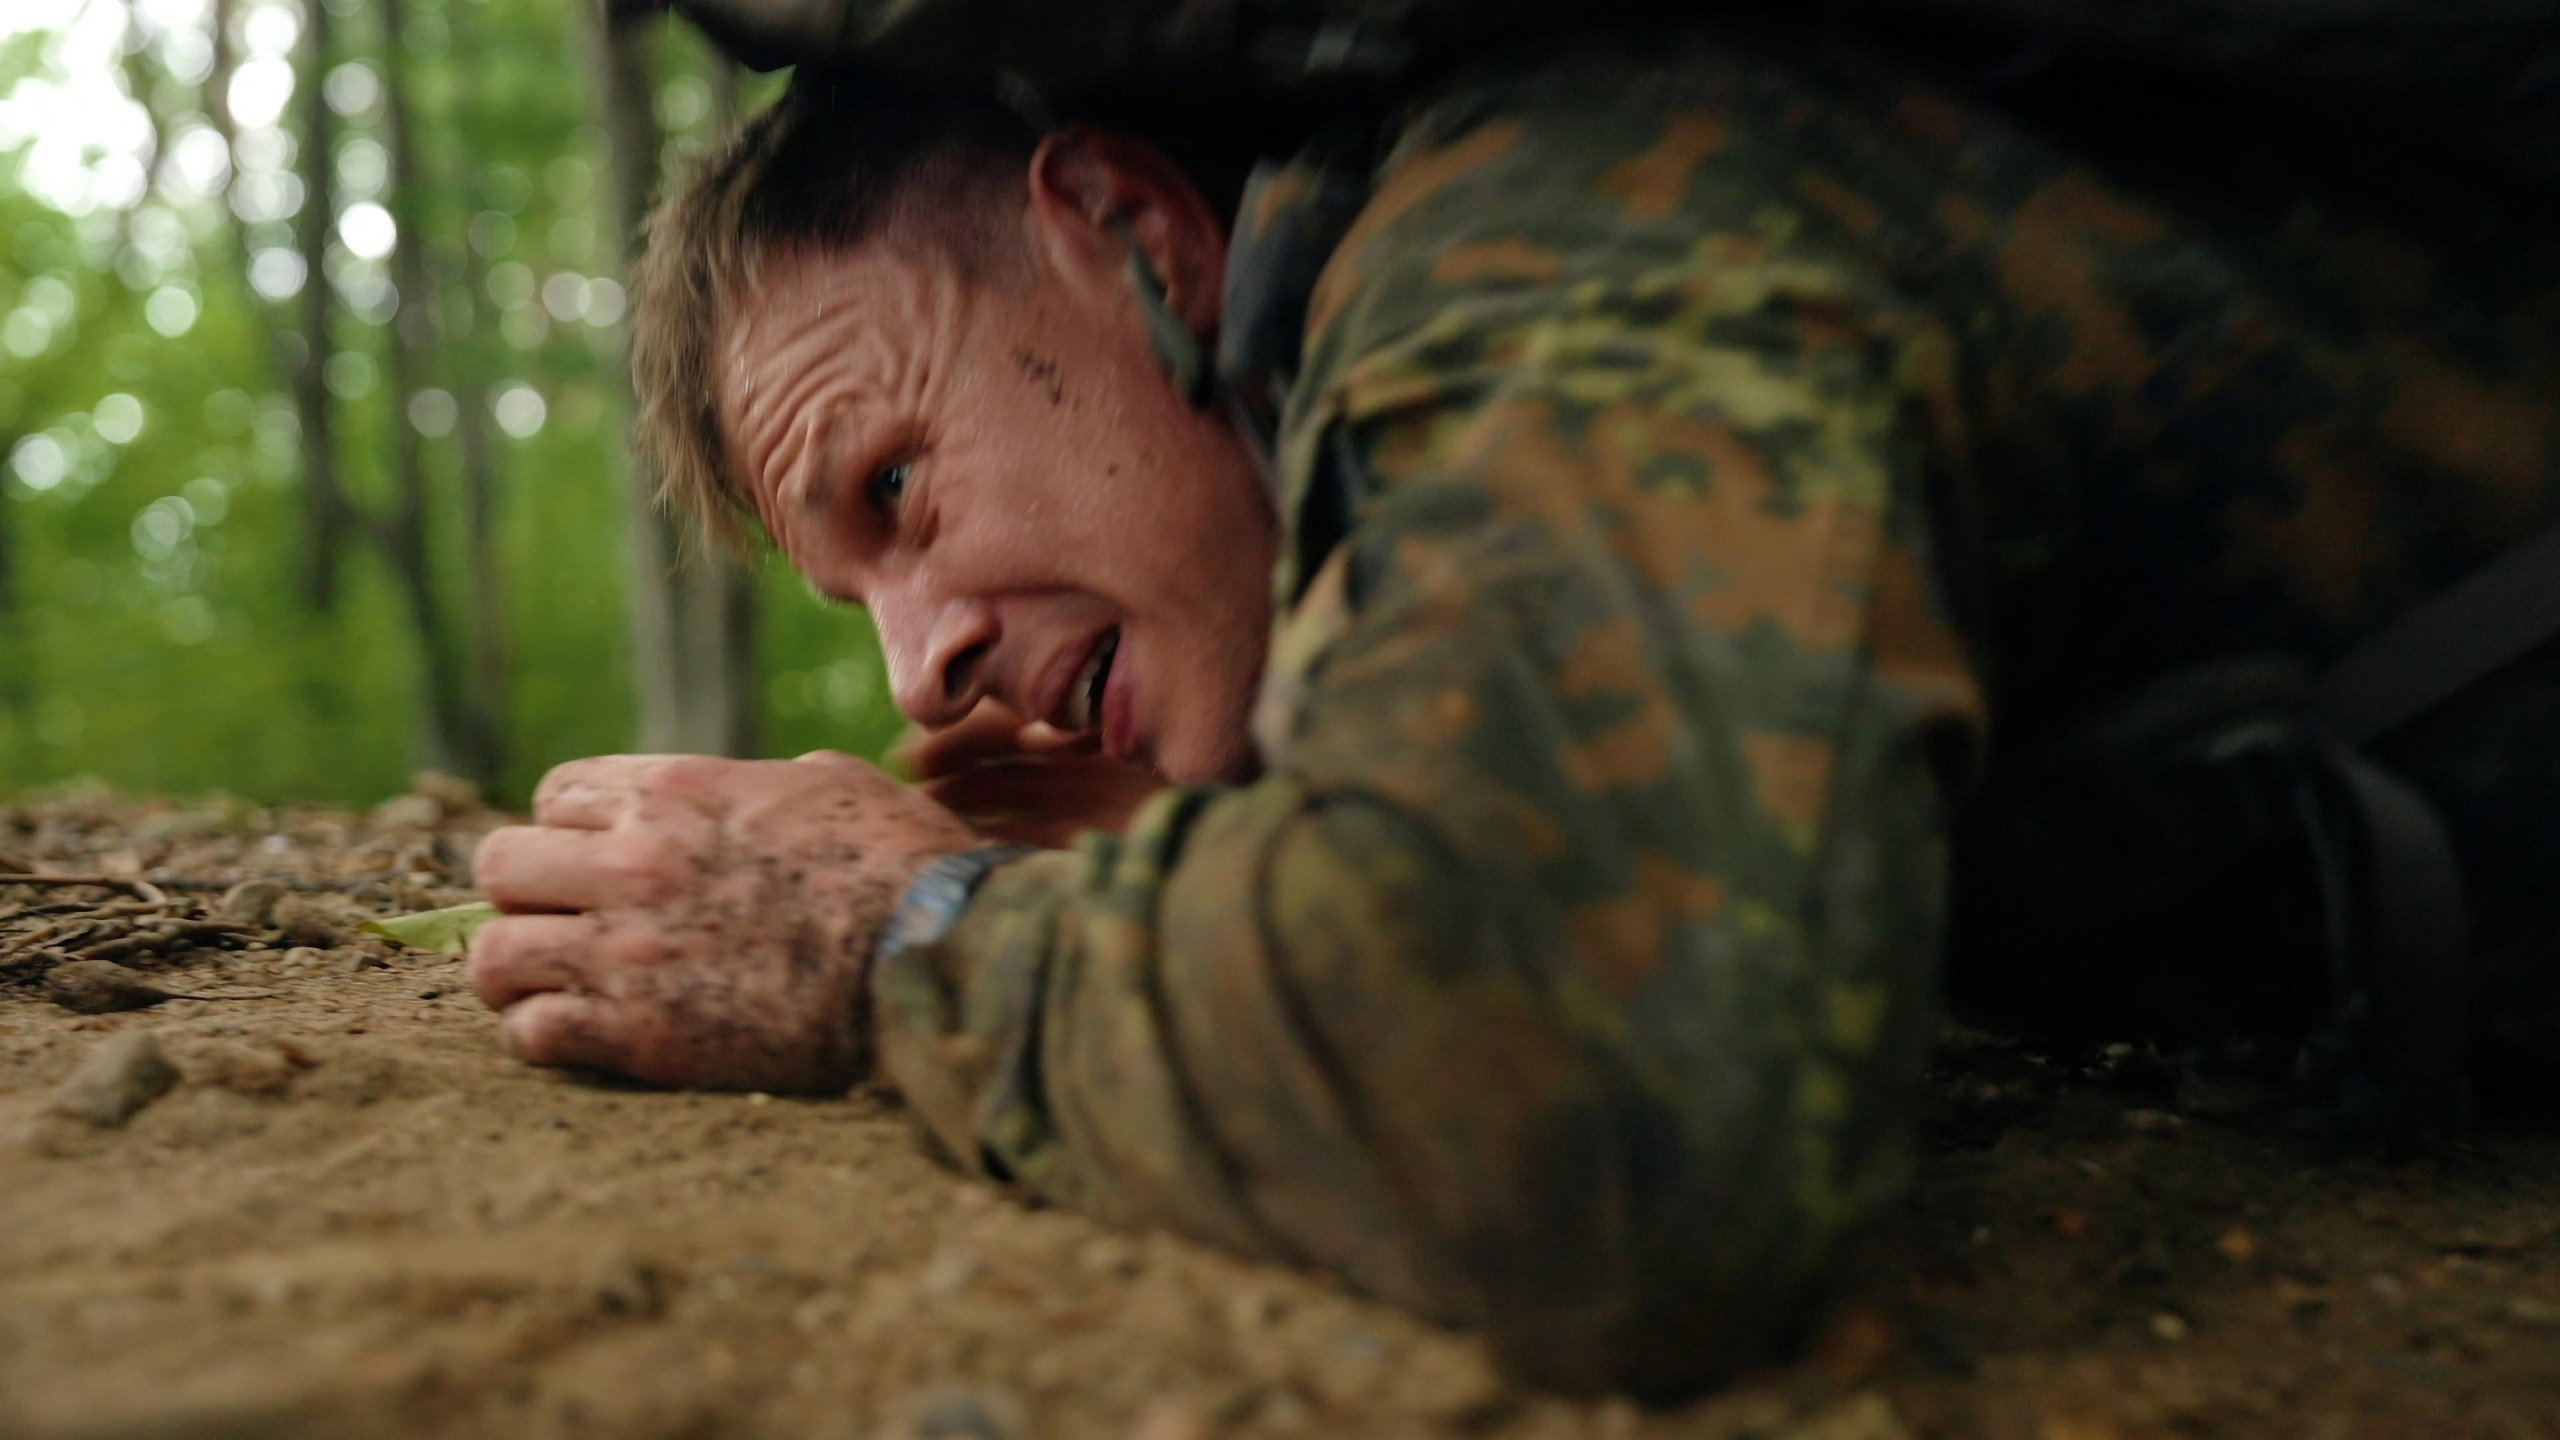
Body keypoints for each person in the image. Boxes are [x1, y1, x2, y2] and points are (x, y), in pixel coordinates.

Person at [469, 6, 2560, 1394]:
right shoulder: (1414, 381)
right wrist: (1240, 855)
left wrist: (888, 935)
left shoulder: (1550, 224)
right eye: (864, 594)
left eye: (897, 490)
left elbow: (1587, 1114)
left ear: (1122, 230)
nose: (917, 665)